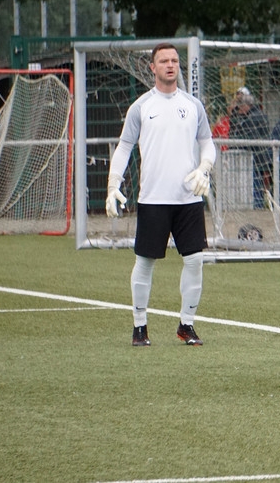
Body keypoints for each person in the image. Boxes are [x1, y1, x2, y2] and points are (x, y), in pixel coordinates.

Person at [105, 43, 217, 347]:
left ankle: (187, 325)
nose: (170, 65)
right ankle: (139, 327)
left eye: (174, 60)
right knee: (145, 262)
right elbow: (125, 146)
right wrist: (113, 184)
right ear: (152, 67)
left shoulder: (193, 105)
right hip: (153, 199)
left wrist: (205, 167)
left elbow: (207, 142)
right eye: (163, 61)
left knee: (194, 260)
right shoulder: (141, 107)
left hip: (189, 200)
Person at [229, 86, 270, 208]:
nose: (239, 110)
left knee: (255, 181)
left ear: (246, 106)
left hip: (257, 156)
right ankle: (257, 204)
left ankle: (257, 205)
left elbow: (247, 137)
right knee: (254, 180)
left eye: (240, 107)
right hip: (258, 155)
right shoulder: (252, 115)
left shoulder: (254, 117)